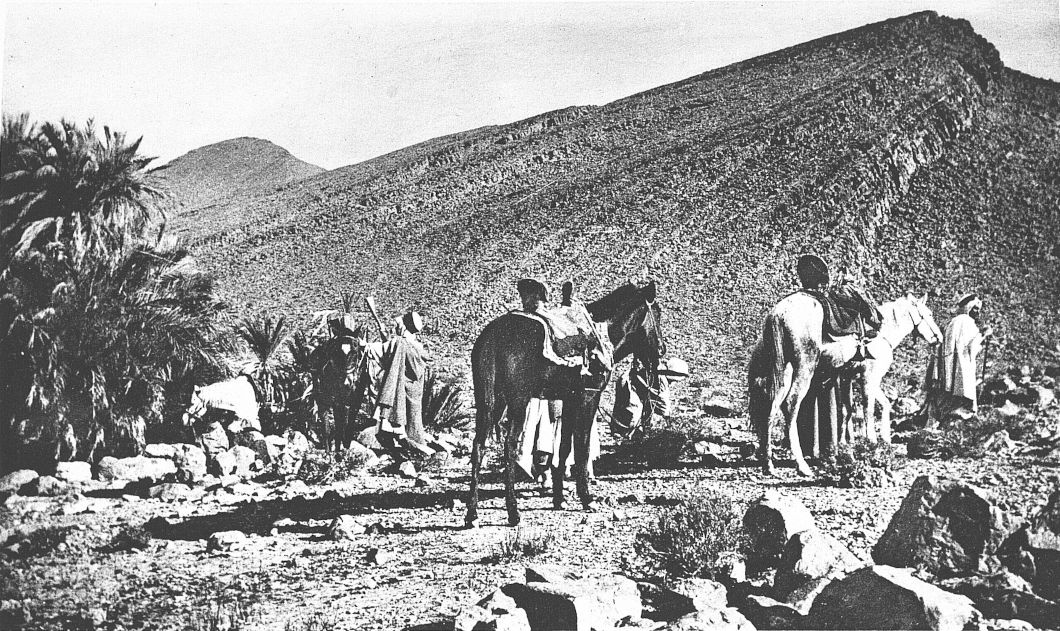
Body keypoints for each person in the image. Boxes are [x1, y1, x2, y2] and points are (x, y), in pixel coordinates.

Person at [922, 294, 992, 421]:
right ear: (968, 307)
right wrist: (983, 335)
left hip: (946, 368)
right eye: (975, 309)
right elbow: (970, 349)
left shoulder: (952, 322)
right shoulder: (967, 322)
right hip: (960, 366)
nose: (978, 312)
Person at [375, 311, 433, 456]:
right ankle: (416, 445)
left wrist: (366, 345)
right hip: (415, 388)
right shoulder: (416, 345)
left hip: (403, 388)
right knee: (414, 421)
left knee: (403, 424)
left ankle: (413, 450)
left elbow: (385, 352)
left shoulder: (401, 343)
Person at [611, 357, 690, 439]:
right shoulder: (661, 379)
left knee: (646, 408)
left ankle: (634, 433)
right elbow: (663, 403)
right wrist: (668, 421)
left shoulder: (658, 372)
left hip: (634, 386)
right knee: (633, 411)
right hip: (629, 386)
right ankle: (623, 434)